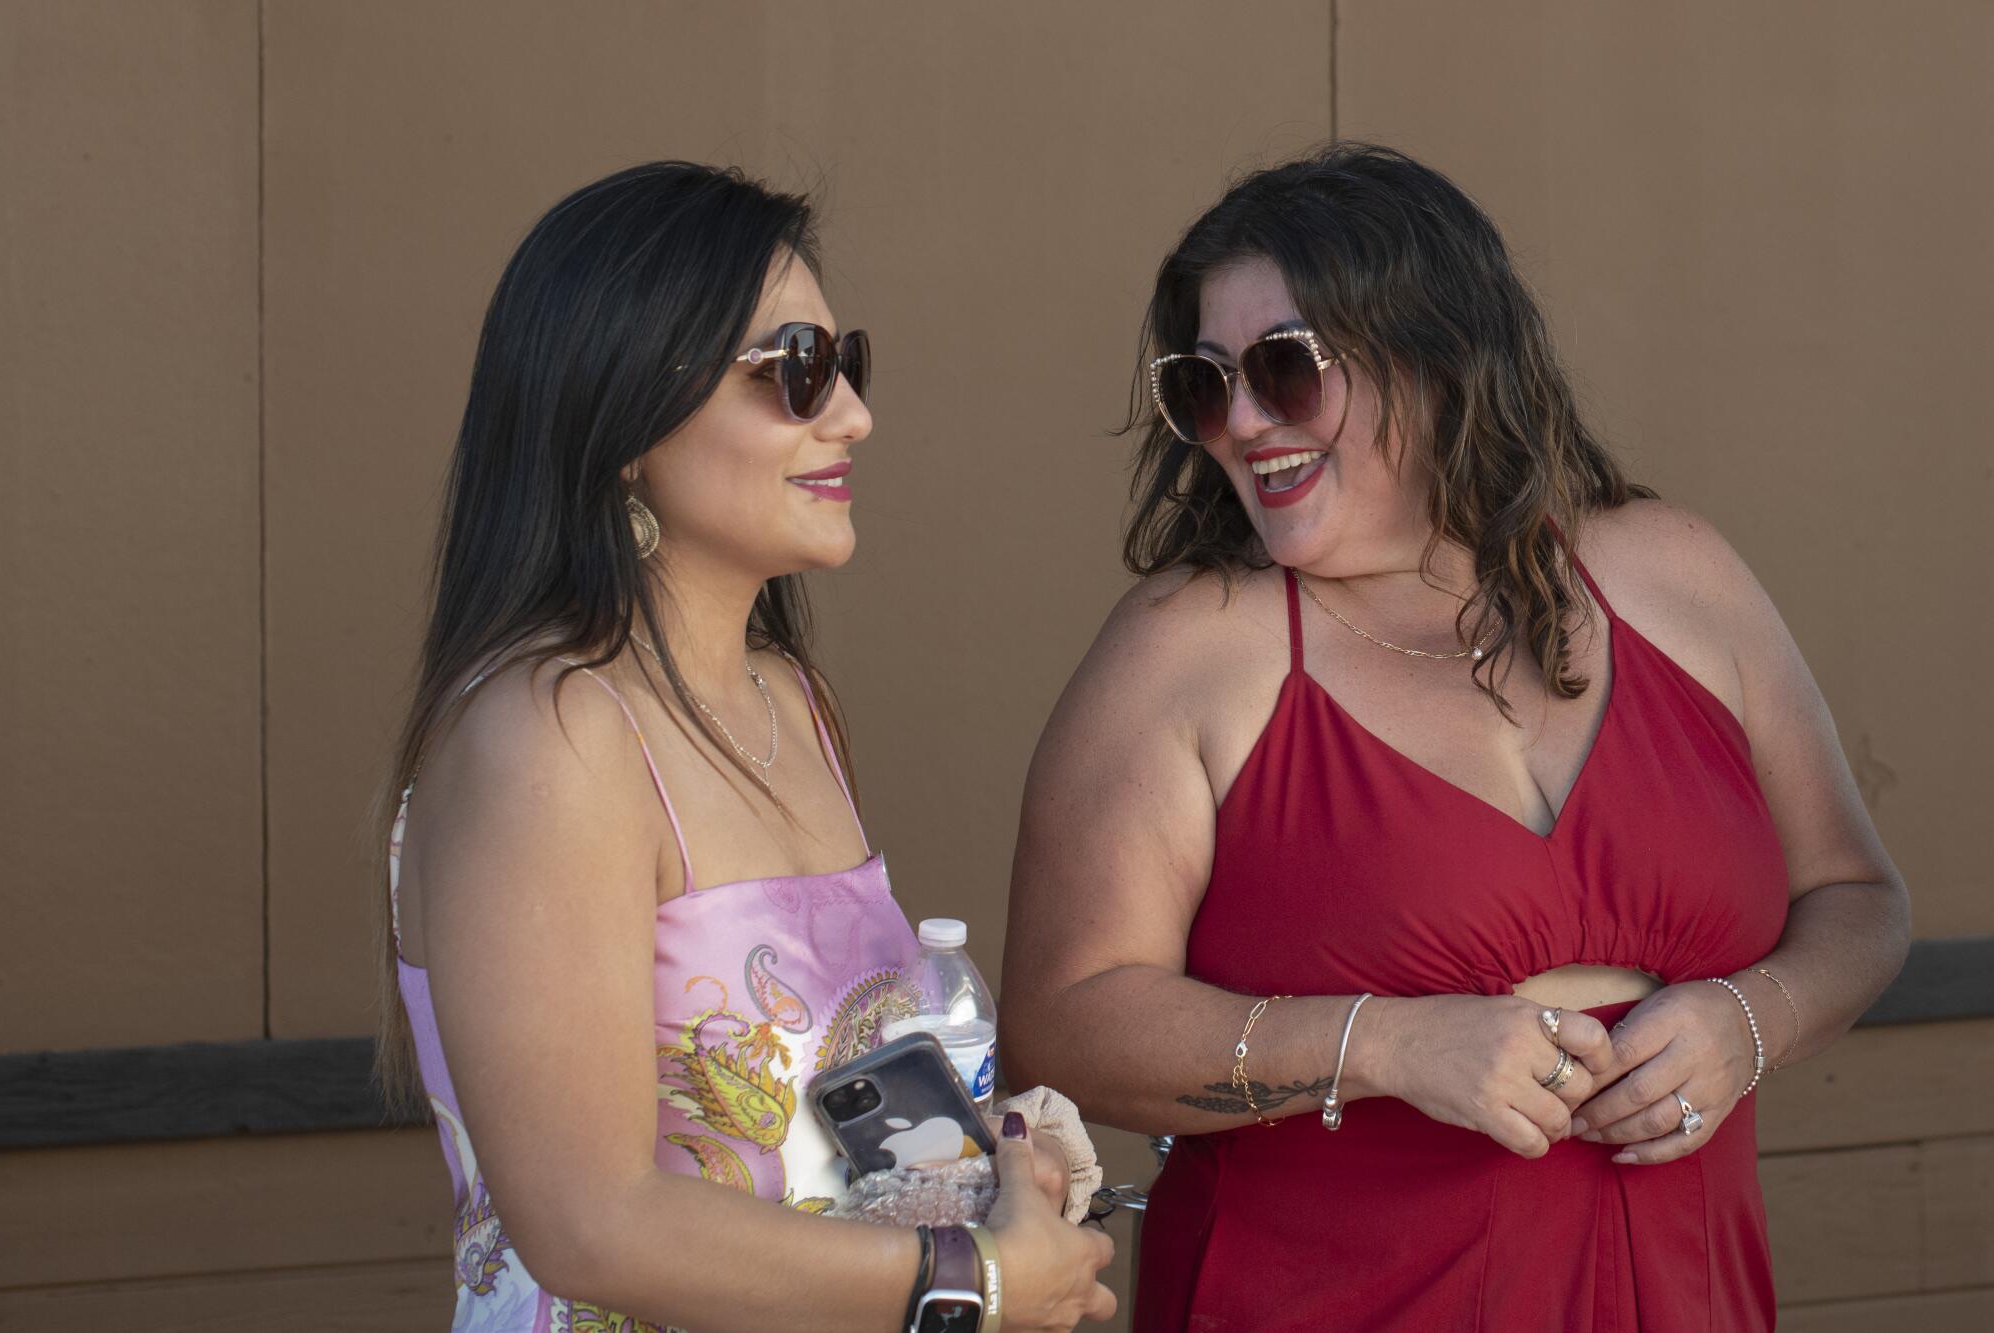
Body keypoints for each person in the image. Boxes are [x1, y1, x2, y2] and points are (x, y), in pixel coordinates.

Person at [999, 143, 1909, 1332]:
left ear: (1430, 349)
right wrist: (1383, 1043)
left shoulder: (1674, 572)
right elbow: (1059, 1026)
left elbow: (1855, 897)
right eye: (1201, 384)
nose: (1240, 421)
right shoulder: (1186, 648)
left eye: (1283, 368)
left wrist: (1752, 1021)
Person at [377, 161, 1115, 1333]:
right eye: (795, 372)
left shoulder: (789, 698)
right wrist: (967, 1280)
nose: (853, 414)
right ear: (622, 419)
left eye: (845, 363)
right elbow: (586, 1221)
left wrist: (986, 1185)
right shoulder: (549, 733)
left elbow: (812, 1125)